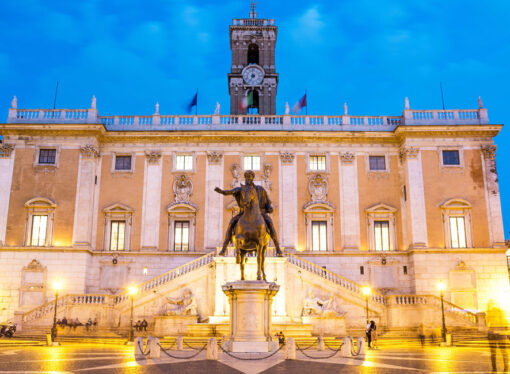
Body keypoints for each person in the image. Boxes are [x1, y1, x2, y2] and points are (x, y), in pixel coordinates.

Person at [215, 170, 283, 257]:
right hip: (244, 213)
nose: (248, 179)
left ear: (252, 178)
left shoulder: (260, 189)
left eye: (250, 177)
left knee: (270, 223)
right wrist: (221, 191)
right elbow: (229, 192)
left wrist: (269, 207)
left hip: (260, 213)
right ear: (245, 178)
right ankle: (224, 248)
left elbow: (268, 201)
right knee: (231, 223)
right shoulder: (241, 189)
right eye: (247, 177)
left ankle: (277, 248)